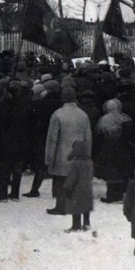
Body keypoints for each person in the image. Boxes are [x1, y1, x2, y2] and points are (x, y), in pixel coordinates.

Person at [44, 87, 92, 216]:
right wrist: (88, 154)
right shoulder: (83, 114)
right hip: (79, 154)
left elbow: (52, 138)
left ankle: (61, 206)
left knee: (61, 181)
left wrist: (49, 157)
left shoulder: (57, 114)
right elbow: (88, 136)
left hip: (61, 153)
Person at [63, 140, 94, 232]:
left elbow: (72, 177)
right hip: (88, 189)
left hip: (77, 189)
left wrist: (67, 187)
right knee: (86, 207)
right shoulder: (90, 162)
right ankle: (86, 223)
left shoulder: (76, 163)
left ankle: (76, 226)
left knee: (76, 208)